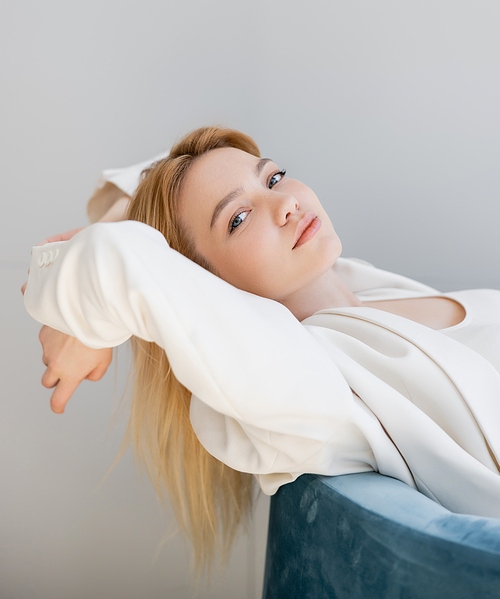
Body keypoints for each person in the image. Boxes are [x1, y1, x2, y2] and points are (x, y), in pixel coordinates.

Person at [23, 125, 500, 572]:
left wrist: (142, 213)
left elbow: (158, 180)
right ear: (205, 285)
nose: (284, 203)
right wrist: (81, 319)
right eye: (239, 219)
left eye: (273, 177)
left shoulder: (366, 289)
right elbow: (117, 258)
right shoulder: (310, 382)